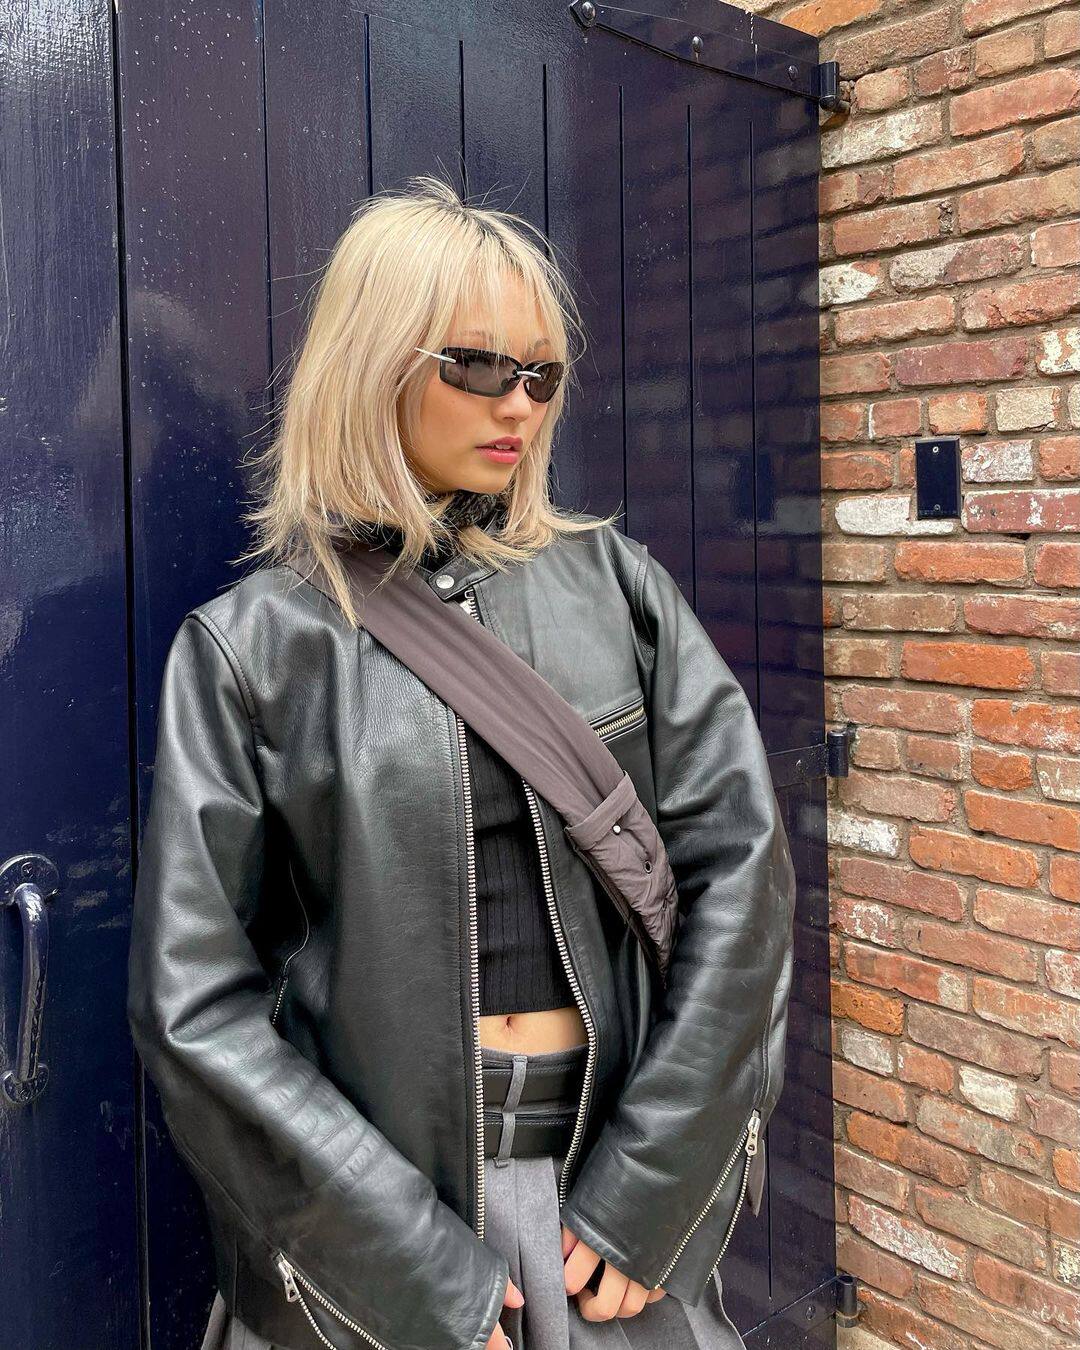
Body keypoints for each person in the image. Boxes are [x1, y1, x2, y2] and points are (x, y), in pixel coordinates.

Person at [127, 174, 798, 1350]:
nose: (520, 404)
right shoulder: (251, 651)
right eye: (479, 366)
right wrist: (409, 1269)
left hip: (611, 1215)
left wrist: (655, 1185)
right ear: (373, 361)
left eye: (542, 374)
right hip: (385, 1242)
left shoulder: (620, 590)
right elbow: (195, 1007)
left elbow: (744, 876)